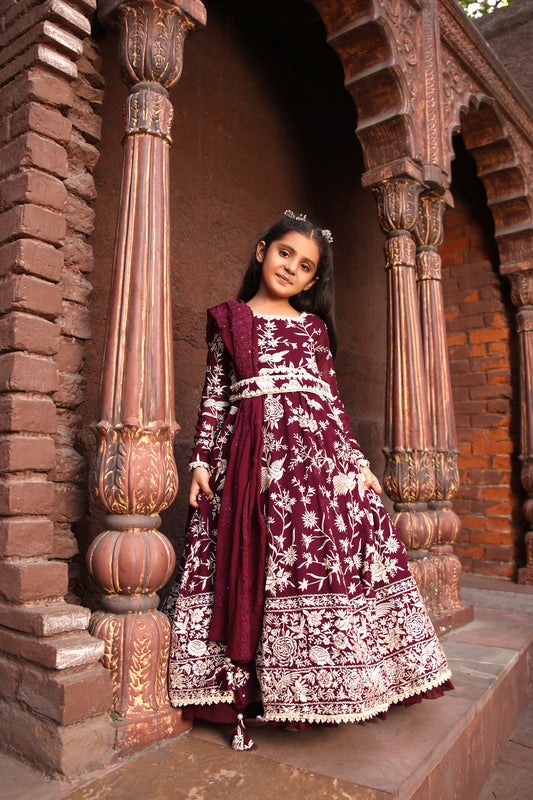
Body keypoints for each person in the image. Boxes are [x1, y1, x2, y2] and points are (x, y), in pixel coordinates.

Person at [164, 211, 452, 750]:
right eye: (284, 254)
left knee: (313, 553)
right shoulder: (230, 321)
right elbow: (214, 397)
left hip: (316, 465)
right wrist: (201, 460)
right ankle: (251, 687)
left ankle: (334, 681)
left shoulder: (313, 328)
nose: (291, 268)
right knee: (259, 556)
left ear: (313, 280)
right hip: (252, 459)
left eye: (305, 267)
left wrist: (356, 459)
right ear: (261, 251)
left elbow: (331, 400)